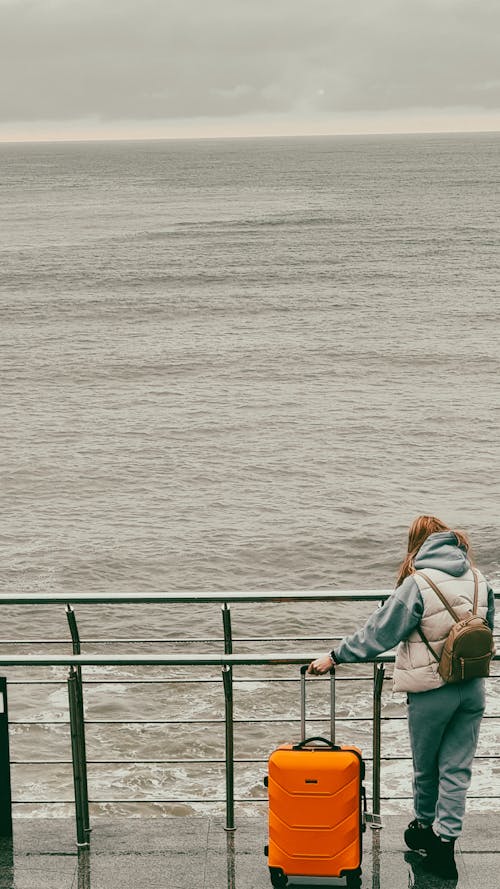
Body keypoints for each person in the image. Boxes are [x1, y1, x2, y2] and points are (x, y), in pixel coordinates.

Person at [308, 515, 495, 880]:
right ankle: (445, 846)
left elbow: (380, 632)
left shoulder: (418, 583)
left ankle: (424, 830)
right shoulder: (480, 579)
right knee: (456, 770)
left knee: (427, 770)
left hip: (431, 692)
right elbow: (486, 628)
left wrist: (335, 656)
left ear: (419, 546)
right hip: (472, 687)